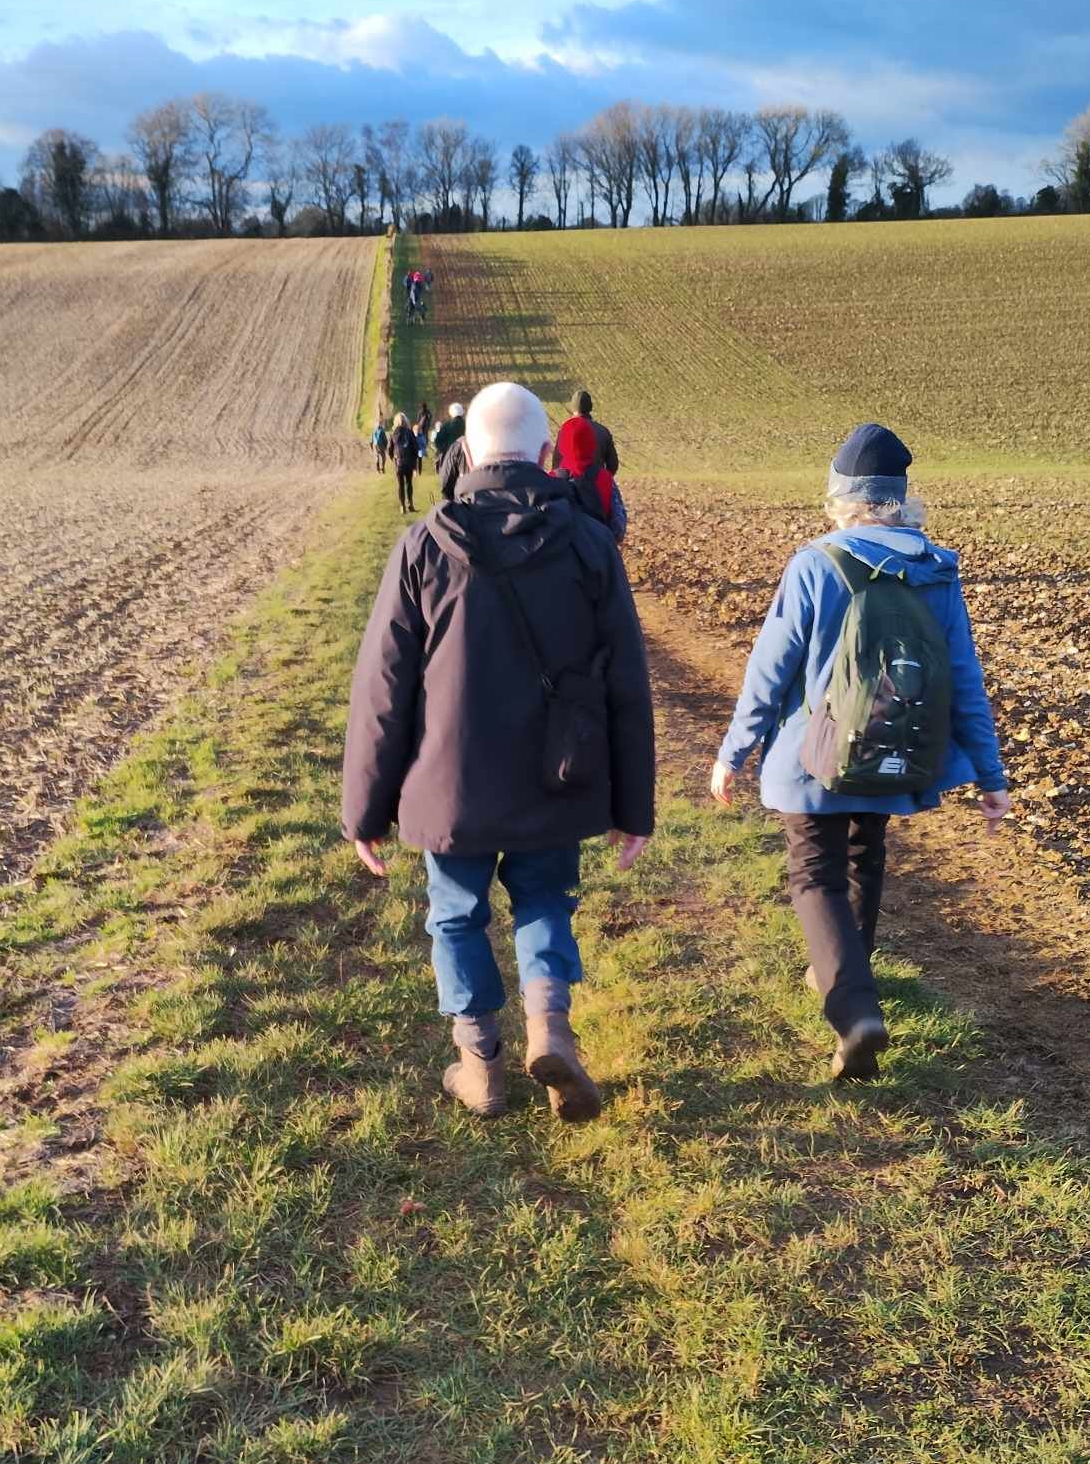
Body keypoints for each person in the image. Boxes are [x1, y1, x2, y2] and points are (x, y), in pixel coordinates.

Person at [342, 382, 655, 1121]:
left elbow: (384, 687)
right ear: (546, 453)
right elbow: (628, 681)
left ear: (466, 454)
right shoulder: (588, 544)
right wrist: (632, 807)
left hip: (450, 784)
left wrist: (366, 810)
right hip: (558, 775)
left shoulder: (425, 544)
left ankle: (479, 1063)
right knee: (545, 901)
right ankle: (550, 1028)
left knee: (456, 915)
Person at [710, 423, 1011, 1082]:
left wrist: (735, 752)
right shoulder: (935, 569)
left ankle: (854, 1009)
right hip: (892, 751)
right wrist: (991, 775)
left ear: (841, 500)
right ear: (899, 500)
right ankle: (855, 985)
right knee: (863, 855)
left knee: (812, 870)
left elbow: (770, 669)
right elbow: (963, 677)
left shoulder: (816, 563)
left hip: (813, 756)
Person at [552, 415, 627, 543]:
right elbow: (619, 528)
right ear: (591, 442)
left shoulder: (550, 480)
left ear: (561, 445)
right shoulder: (605, 479)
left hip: (561, 557)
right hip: (599, 554)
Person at [556, 389, 619, 477]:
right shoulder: (603, 431)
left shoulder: (565, 431)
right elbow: (613, 465)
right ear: (590, 407)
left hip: (570, 484)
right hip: (596, 482)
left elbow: (557, 462)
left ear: (572, 408)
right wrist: (604, 480)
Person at [435, 402, 470, 502]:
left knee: (449, 483)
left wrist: (443, 450)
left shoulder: (447, 426)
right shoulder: (468, 424)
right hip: (467, 459)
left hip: (450, 458)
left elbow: (438, 441)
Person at [388, 410, 418, 513]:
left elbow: (390, 449)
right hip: (408, 462)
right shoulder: (409, 433)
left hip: (399, 463)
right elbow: (415, 448)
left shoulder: (393, 434)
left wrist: (394, 459)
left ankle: (402, 507)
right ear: (406, 421)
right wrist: (415, 464)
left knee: (400, 485)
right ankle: (410, 504)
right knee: (409, 483)